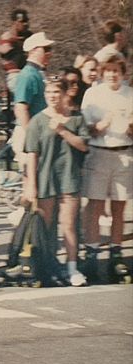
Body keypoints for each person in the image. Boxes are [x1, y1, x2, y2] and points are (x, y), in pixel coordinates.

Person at [23, 76, 90, 286]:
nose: (52, 96)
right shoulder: (37, 121)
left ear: (65, 94)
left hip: (69, 177)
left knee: (69, 226)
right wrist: (31, 184)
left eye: (56, 92)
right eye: (48, 92)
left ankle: (72, 267)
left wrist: (62, 129)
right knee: (46, 227)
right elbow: (32, 154)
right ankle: (48, 267)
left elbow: (83, 145)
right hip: (45, 178)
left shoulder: (77, 118)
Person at [80, 55, 133, 283]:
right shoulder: (93, 94)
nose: (112, 74)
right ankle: (91, 254)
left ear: (123, 72)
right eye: (108, 70)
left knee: (119, 207)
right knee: (96, 206)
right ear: (102, 72)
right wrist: (97, 127)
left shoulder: (130, 94)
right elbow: (85, 126)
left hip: (123, 153)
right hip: (99, 152)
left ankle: (116, 253)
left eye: (116, 70)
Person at [12, 32, 54, 169]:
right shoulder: (27, 75)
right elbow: (21, 108)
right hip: (29, 134)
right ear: (34, 51)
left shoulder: (37, 74)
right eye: (46, 49)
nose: (50, 53)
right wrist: (32, 136)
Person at [0, 8, 32, 96]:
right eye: (22, 21)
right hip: (16, 74)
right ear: (14, 22)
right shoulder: (6, 37)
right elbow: (7, 54)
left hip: (31, 73)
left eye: (27, 21)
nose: (26, 24)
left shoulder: (30, 36)